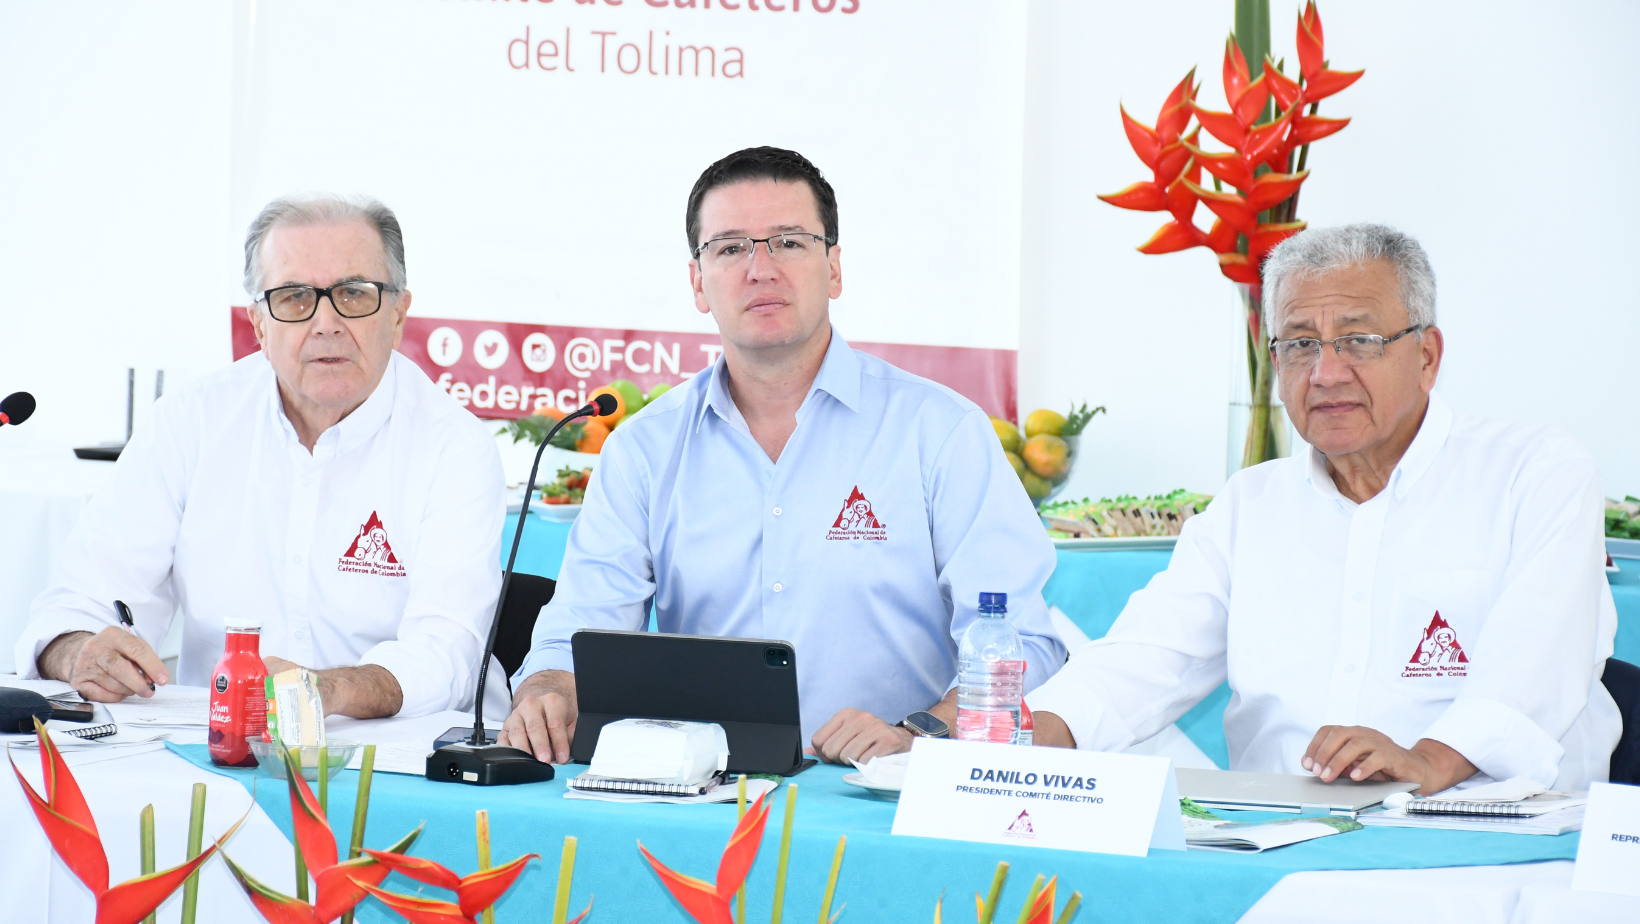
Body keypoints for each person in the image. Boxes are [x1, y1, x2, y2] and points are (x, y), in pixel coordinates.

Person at [500, 147, 1065, 765]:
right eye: (730, 248)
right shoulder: (645, 448)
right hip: (703, 792)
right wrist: (549, 688)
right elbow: (574, 630)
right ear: (698, 282)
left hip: (887, 792)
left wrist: (924, 733)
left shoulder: (940, 431)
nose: (760, 269)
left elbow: (1022, 643)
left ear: (835, 268)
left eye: (789, 243)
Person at [1028, 224, 1620, 794]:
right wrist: (1019, 738)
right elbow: (1147, 658)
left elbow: (1541, 660)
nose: (1326, 373)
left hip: (1482, 834)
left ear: (1427, 356)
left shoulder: (1535, 474)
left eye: (1360, 341)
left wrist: (1427, 760)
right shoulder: (1250, 504)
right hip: (1276, 834)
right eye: (1300, 344)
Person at [15, 195, 510, 719]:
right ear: (258, 324)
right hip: (213, 744)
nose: (326, 323)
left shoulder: (455, 446)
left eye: (353, 293)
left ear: (398, 314)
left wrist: (328, 690)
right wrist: (77, 651)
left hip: (393, 747)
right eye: (294, 297)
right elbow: (81, 601)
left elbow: (449, 651)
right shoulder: (190, 423)